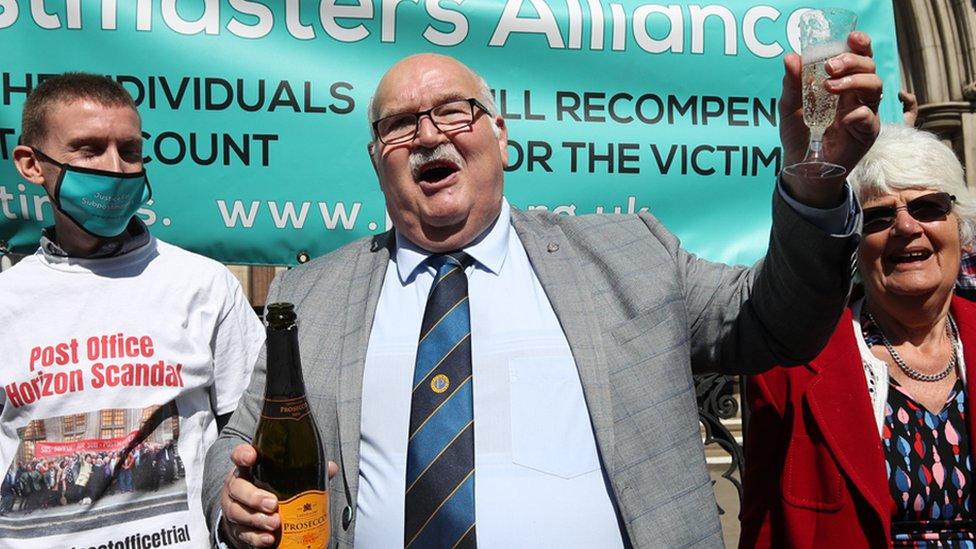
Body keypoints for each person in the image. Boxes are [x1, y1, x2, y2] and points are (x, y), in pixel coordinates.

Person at [204, 40, 882, 548]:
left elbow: (779, 322)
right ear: (377, 157)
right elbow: (235, 441)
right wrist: (230, 500)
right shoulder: (310, 295)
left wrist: (815, 181)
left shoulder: (631, 254)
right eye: (399, 125)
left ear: (502, 139)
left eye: (453, 112)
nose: (429, 135)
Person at [0, 73, 265, 547]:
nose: (117, 168)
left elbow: (247, 436)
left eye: (130, 150)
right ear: (31, 164)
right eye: (87, 149)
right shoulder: (8, 301)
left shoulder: (203, 285)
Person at [740, 125, 976, 547]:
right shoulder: (792, 364)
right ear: (854, 243)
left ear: (960, 226)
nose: (906, 226)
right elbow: (765, 526)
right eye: (879, 217)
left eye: (927, 207)